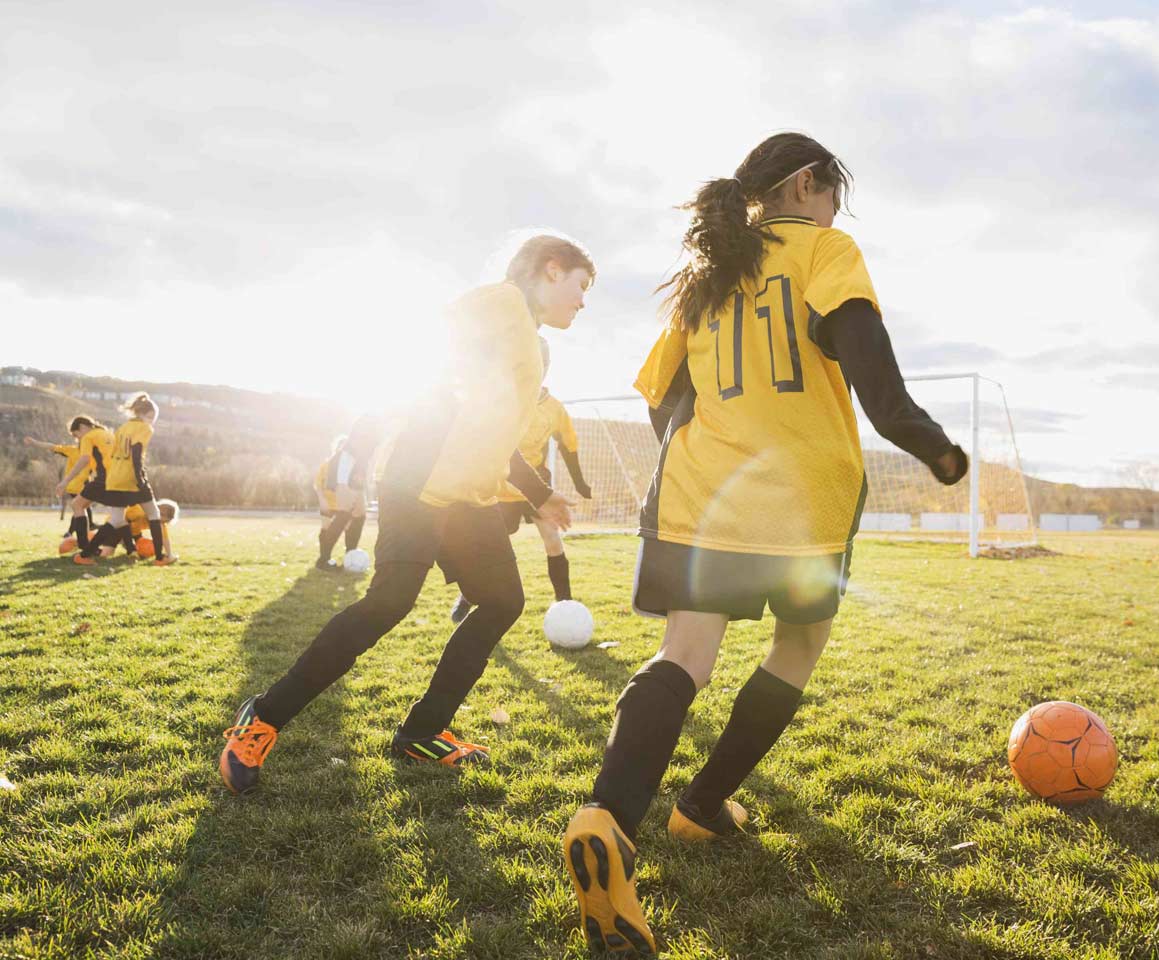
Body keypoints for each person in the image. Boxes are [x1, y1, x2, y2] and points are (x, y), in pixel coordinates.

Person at [562, 133, 969, 957]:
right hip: (801, 501)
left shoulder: (705, 277)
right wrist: (937, 450)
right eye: (833, 195)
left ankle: (609, 817)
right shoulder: (827, 249)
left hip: (701, 490)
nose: (833, 212)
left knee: (685, 653)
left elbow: (661, 403)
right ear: (809, 184)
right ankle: (704, 803)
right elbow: (879, 391)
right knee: (799, 646)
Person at [219, 234, 594, 795]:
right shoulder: (500, 303)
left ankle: (423, 733)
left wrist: (539, 492)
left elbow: (498, 435)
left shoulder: (525, 340)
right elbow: (418, 354)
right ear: (551, 269)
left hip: (469, 499)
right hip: (419, 484)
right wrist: (361, 444)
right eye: (581, 286)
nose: (583, 302)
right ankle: (262, 718)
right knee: (389, 603)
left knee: (502, 602)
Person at [451, 337, 592, 623]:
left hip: (537, 487)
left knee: (552, 539)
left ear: (547, 366)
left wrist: (579, 483)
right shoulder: (502, 401)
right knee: (492, 546)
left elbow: (568, 444)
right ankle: (468, 596)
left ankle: (564, 604)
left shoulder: (554, 408)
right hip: (502, 485)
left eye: (539, 363)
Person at [70, 393, 175, 566]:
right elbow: (136, 451)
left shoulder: (122, 428)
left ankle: (85, 555)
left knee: (116, 519)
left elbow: (114, 454)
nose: (151, 422)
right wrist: (140, 478)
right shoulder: (145, 428)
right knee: (154, 514)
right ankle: (160, 558)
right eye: (150, 417)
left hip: (114, 479)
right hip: (132, 479)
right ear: (142, 414)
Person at [314, 417, 380, 571]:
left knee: (360, 515)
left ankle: (350, 556)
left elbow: (368, 465)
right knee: (344, 514)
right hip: (344, 475)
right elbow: (319, 483)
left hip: (356, 476)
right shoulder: (351, 447)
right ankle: (323, 560)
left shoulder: (373, 443)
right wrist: (341, 485)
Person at [23, 418, 100, 540]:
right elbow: (52, 446)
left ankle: (80, 531)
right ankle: (77, 532)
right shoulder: (73, 450)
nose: (78, 439)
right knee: (80, 508)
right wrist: (35, 443)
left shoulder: (92, 453)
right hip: (74, 486)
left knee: (80, 508)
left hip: (84, 486)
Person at [52, 416, 114, 555]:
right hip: (117, 478)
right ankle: (129, 547)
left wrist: (65, 481)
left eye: (76, 435)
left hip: (102, 479)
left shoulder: (88, 437)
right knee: (116, 515)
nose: (77, 439)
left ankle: (86, 547)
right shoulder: (108, 434)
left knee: (76, 505)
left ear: (82, 427)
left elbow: (84, 459)